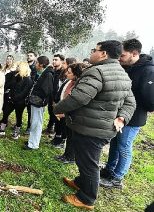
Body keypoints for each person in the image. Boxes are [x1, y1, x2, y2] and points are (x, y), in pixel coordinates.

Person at [54, 40, 136, 210]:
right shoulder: (122, 73)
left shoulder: (97, 72)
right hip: (99, 128)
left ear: (103, 54)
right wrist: (122, 117)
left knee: (89, 164)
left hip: (90, 129)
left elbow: (78, 98)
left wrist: (58, 108)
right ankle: (80, 182)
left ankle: (86, 198)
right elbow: (131, 103)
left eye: (95, 50)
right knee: (85, 160)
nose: (92, 52)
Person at [100, 39, 154, 189]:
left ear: (134, 54)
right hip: (120, 115)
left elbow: (149, 99)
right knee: (115, 144)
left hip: (134, 118)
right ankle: (108, 170)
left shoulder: (148, 71)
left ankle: (117, 178)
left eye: (123, 55)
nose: (119, 58)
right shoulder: (128, 67)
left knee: (124, 146)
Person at [54, 63, 89, 163]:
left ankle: (70, 157)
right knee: (69, 136)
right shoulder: (70, 82)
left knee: (73, 138)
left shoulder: (80, 86)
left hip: (74, 116)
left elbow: (76, 103)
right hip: (68, 114)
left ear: (76, 74)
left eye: (69, 73)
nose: (66, 74)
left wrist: (64, 113)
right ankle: (66, 155)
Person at [0, 62, 33, 139]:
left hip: (20, 102)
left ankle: (17, 132)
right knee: (5, 113)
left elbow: (24, 93)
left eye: (18, 66)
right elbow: (10, 87)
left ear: (22, 68)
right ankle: (2, 129)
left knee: (18, 116)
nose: (17, 68)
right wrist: (10, 96)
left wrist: (15, 98)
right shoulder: (16, 76)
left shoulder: (28, 80)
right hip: (11, 100)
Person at [25, 56, 54, 150]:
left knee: (37, 123)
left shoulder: (48, 74)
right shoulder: (43, 73)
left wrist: (35, 93)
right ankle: (32, 140)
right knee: (34, 122)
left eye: (37, 63)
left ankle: (33, 144)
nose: (36, 64)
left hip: (39, 102)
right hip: (36, 101)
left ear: (41, 64)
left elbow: (47, 90)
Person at [45, 54, 65, 135]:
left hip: (57, 98)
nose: (54, 61)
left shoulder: (63, 73)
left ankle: (57, 133)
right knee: (50, 112)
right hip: (50, 95)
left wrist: (56, 99)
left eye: (56, 60)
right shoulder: (52, 71)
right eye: (53, 60)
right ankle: (50, 127)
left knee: (56, 114)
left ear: (61, 61)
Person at [24, 51, 38, 135]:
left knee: (30, 111)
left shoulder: (35, 67)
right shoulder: (25, 65)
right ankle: (19, 124)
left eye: (31, 55)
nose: (29, 57)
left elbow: (34, 80)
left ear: (35, 57)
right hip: (23, 90)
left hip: (31, 91)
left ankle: (29, 127)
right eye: (28, 55)